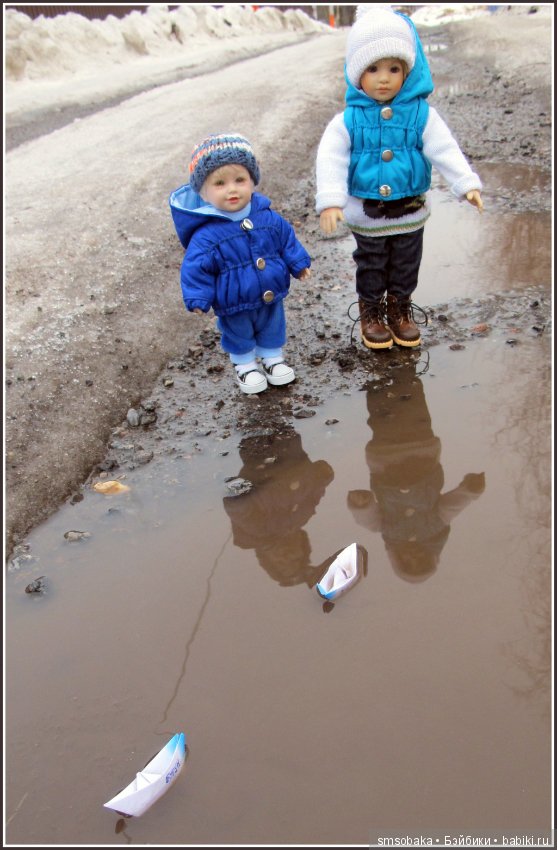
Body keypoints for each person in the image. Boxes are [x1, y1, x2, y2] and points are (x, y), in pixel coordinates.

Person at [315, 4, 483, 349]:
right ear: (355, 73)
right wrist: (331, 201)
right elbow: (330, 157)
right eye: (373, 68)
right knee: (372, 264)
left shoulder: (422, 114)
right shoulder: (348, 120)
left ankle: (400, 310)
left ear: (408, 71)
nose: (384, 78)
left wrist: (465, 183)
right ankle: (372, 312)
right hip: (367, 212)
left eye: (394, 68)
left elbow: (444, 148)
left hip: (410, 210)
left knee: (406, 264)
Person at [169, 133, 312, 394]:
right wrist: (199, 297)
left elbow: (286, 239)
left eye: (240, 180)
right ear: (204, 192)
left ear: (252, 181)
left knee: (272, 324)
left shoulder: (267, 217)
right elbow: (195, 268)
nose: (232, 189)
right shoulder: (206, 234)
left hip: (270, 291)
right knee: (238, 331)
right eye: (220, 183)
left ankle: (272, 359)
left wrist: (298, 263)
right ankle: (245, 365)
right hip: (232, 298)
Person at [346, 355, 486, 581]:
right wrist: (470, 490)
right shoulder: (436, 524)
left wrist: (361, 505)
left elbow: (367, 519)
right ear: (431, 554)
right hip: (422, 453)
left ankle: (375, 372)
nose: (412, 555)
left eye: (407, 561)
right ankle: (405, 368)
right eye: (420, 559)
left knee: (381, 417)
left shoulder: (385, 530)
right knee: (414, 410)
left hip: (386, 459)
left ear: (396, 558)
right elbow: (454, 505)